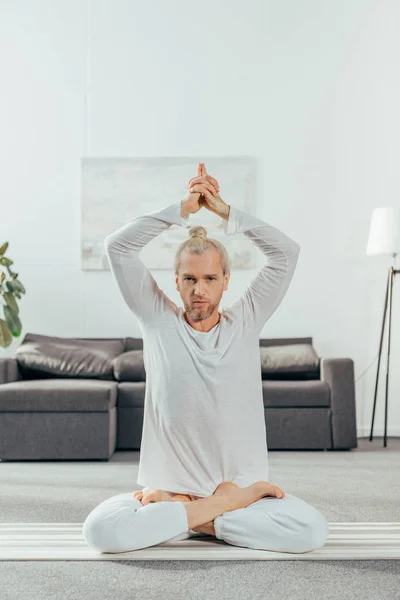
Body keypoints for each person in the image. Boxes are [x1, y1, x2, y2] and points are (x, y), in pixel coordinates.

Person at [82, 162, 329, 554]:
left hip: (219, 496)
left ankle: (195, 518)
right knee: (100, 532)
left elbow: (286, 253)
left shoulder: (246, 320)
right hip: (175, 494)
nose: (200, 290)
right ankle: (218, 515)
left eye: (210, 279)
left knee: (311, 532)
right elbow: (117, 246)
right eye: (190, 279)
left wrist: (223, 211)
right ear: (175, 281)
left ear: (226, 280)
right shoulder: (157, 318)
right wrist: (181, 209)